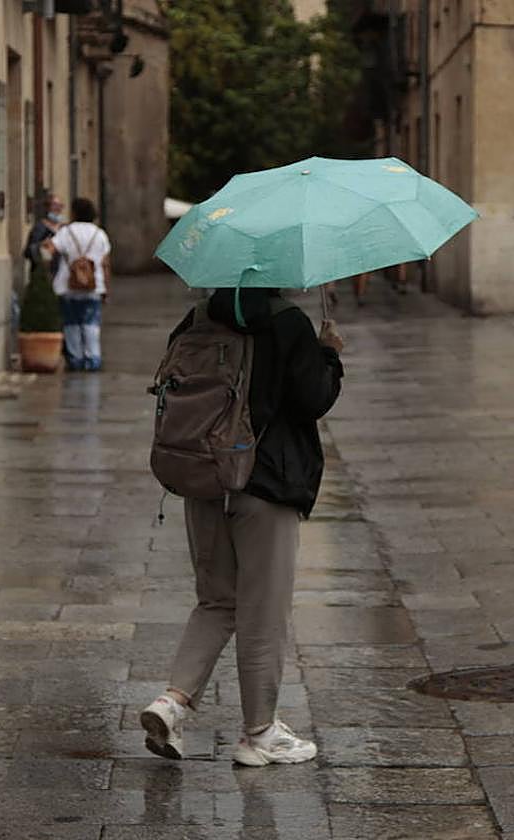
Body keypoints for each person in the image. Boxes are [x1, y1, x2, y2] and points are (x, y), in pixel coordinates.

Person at [140, 288, 344, 767]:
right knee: (263, 612)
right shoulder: (287, 321)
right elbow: (314, 398)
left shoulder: (198, 316)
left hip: (204, 475)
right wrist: (330, 354)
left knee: (216, 601)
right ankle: (259, 734)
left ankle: (171, 702)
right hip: (265, 483)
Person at [44, 197, 111, 371]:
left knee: (71, 324)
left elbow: (50, 250)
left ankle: (76, 359)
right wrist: (106, 288)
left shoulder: (66, 232)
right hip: (93, 286)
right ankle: (93, 358)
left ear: (74, 212)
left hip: (67, 286)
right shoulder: (100, 234)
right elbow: (105, 263)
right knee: (91, 324)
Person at [25, 194, 66, 272]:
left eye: (60, 206)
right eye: (55, 205)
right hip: (44, 273)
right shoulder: (40, 227)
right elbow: (28, 252)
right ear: (47, 208)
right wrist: (41, 245)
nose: (58, 208)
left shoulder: (63, 229)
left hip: (61, 272)